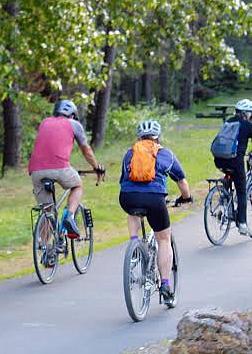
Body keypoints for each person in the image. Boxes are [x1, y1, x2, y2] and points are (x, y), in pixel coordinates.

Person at [118, 120, 192, 302]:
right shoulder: (165, 153)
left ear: (139, 137)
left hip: (127, 197)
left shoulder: (130, 153)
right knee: (164, 239)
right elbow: (181, 181)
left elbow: (123, 180)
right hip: (154, 198)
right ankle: (166, 285)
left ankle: (134, 246)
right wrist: (186, 197)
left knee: (132, 211)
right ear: (158, 136)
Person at [28, 99, 104, 239]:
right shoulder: (74, 124)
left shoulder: (44, 122)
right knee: (77, 185)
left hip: (36, 170)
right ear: (73, 115)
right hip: (60, 168)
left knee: (47, 211)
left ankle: (46, 251)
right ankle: (69, 216)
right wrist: (96, 167)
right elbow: (86, 150)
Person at [211, 100, 252, 236]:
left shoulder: (228, 122)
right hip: (235, 161)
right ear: (247, 113)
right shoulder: (248, 125)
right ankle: (243, 224)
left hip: (220, 159)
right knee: (242, 191)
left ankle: (225, 197)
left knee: (229, 174)